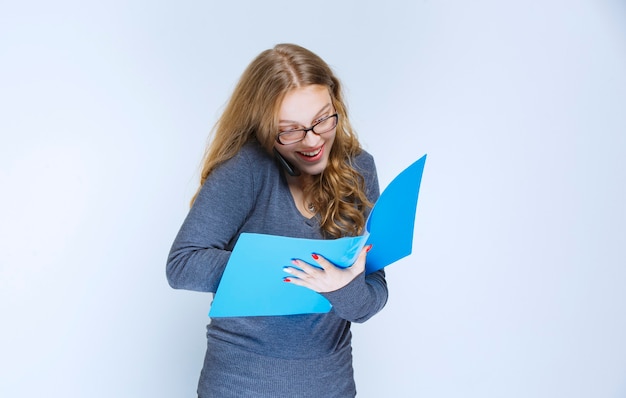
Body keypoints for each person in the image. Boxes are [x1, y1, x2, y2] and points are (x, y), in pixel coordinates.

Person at [166, 43, 388, 397]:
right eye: (292, 130)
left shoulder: (359, 169)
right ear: (265, 127)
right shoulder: (246, 169)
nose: (313, 140)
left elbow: (367, 299)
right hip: (240, 387)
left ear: (336, 104)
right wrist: (290, 266)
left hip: (331, 386)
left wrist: (341, 286)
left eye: (322, 119)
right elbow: (182, 265)